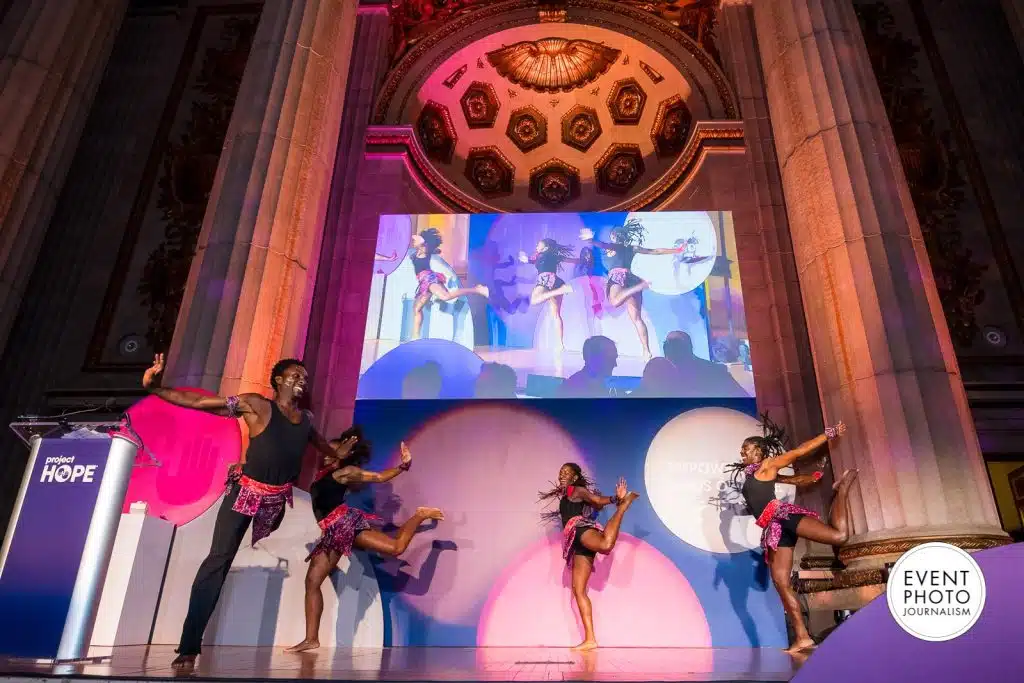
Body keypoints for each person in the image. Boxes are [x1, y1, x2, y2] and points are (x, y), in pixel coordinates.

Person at [141, 354, 344, 673]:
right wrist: (156, 388)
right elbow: (197, 402)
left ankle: (262, 531)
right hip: (246, 493)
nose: (301, 379)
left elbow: (323, 446)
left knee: (263, 532)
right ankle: (189, 647)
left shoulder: (305, 418)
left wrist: (339, 454)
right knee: (219, 559)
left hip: (276, 501)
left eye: (304, 375)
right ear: (279, 380)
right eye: (295, 374)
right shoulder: (256, 405)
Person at [287, 427, 443, 652]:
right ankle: (311, 638)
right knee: (312, 582)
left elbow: (378, 477)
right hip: (331, 532)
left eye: (333, 447)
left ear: (344, 452)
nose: (328, 451)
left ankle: (419, 515)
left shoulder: (344, 472)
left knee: (396, 548)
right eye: (329, 448)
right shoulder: (323, 473)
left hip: (345, 524)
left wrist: (401, 467)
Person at [730, 416, 856, 653]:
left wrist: (829, 434)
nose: (742, 452)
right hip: (773, 529)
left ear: (758, 451)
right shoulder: (755, 473)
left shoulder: (769, 464)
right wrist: (813, 478)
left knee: (839, 537)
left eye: (745, 448)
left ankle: (841, 491)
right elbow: (795, 479)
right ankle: (803, 637)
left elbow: (799, 451)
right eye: (741, 449)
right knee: (780, 582)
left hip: (784, 516)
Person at [539, 463, 639, 650]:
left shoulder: (577, 490)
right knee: (578, 590)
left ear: (575, 477)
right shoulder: (567, 494)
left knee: (605, 545)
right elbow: (593, 503)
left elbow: (596, 499)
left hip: (580, 530)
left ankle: (623, 506)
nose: (562, 475)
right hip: (574, 541)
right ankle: (590, 639)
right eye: (561, 472)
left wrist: (614, 499)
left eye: (567, 472)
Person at [579, 219, 688, 360]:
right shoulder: (630, 248)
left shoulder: (612, 247)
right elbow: (655, 251)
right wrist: (677, 250)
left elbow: (602, 244)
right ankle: (646, 351)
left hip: (618, 277)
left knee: (614, 302)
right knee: (637, 319)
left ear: (613, 236)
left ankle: (640, 286)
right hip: (631, 278)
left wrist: (591, 240)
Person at [409, 228, 488, 339]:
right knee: (417, 308)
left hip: (428, 279)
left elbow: (417, 238)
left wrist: (422, 237)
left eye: (419, 241)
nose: (414, 241)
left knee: (445, 297)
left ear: (424, 243)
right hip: (424, 281)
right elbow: (416, 239)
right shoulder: (420, 251)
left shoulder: (424, 250)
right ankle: (415, 337)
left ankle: (477, 289)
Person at [518, 238, 577, 351]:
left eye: (538, 244)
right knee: (556, 315)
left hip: (546, 279)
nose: (536, 245)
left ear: (545, 247)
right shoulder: (548, 256)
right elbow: (572, 260)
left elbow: (534, 259)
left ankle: (560, 290)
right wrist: (526, 260)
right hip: (556, 281)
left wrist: (527, 259)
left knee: (534, 300)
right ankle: (560, 344)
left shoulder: (543, 255)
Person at [663, 330, 747, 398]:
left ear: (688, 347)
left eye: (676, 345)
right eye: (667, 344)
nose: (672, 349)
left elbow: (742, 399)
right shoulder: (663, 375)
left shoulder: (715, 371)